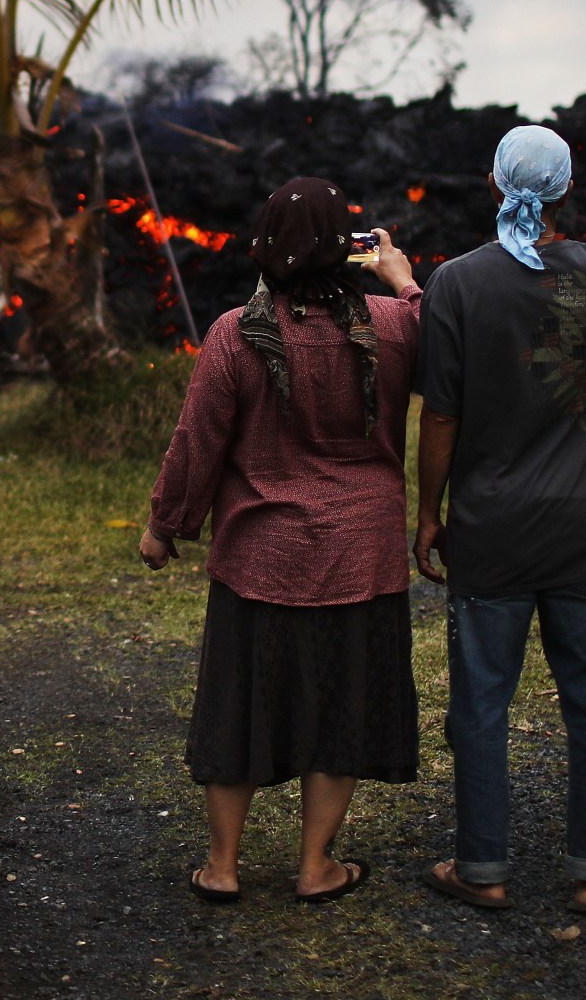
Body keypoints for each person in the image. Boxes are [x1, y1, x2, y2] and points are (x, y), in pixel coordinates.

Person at [412, 86, 586, 916]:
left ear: (497, 188)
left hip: (491, 531)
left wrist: (429, 513)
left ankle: (484, 870)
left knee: (481, 704)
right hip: (583, 532)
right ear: (567, 191)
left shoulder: (457, 284)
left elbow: (442, 414)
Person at [140, 177, 424, 904]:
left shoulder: (236, 333)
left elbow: (197, 443)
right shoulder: (396, 326)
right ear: (346, 250)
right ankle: (316, 867)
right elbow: (451, 358)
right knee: (341, 715)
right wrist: (407, 282)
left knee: (239, 712)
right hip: (362, 559)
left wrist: (164, 526)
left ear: (264, 246)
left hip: (259, 563)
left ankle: (224, 867)